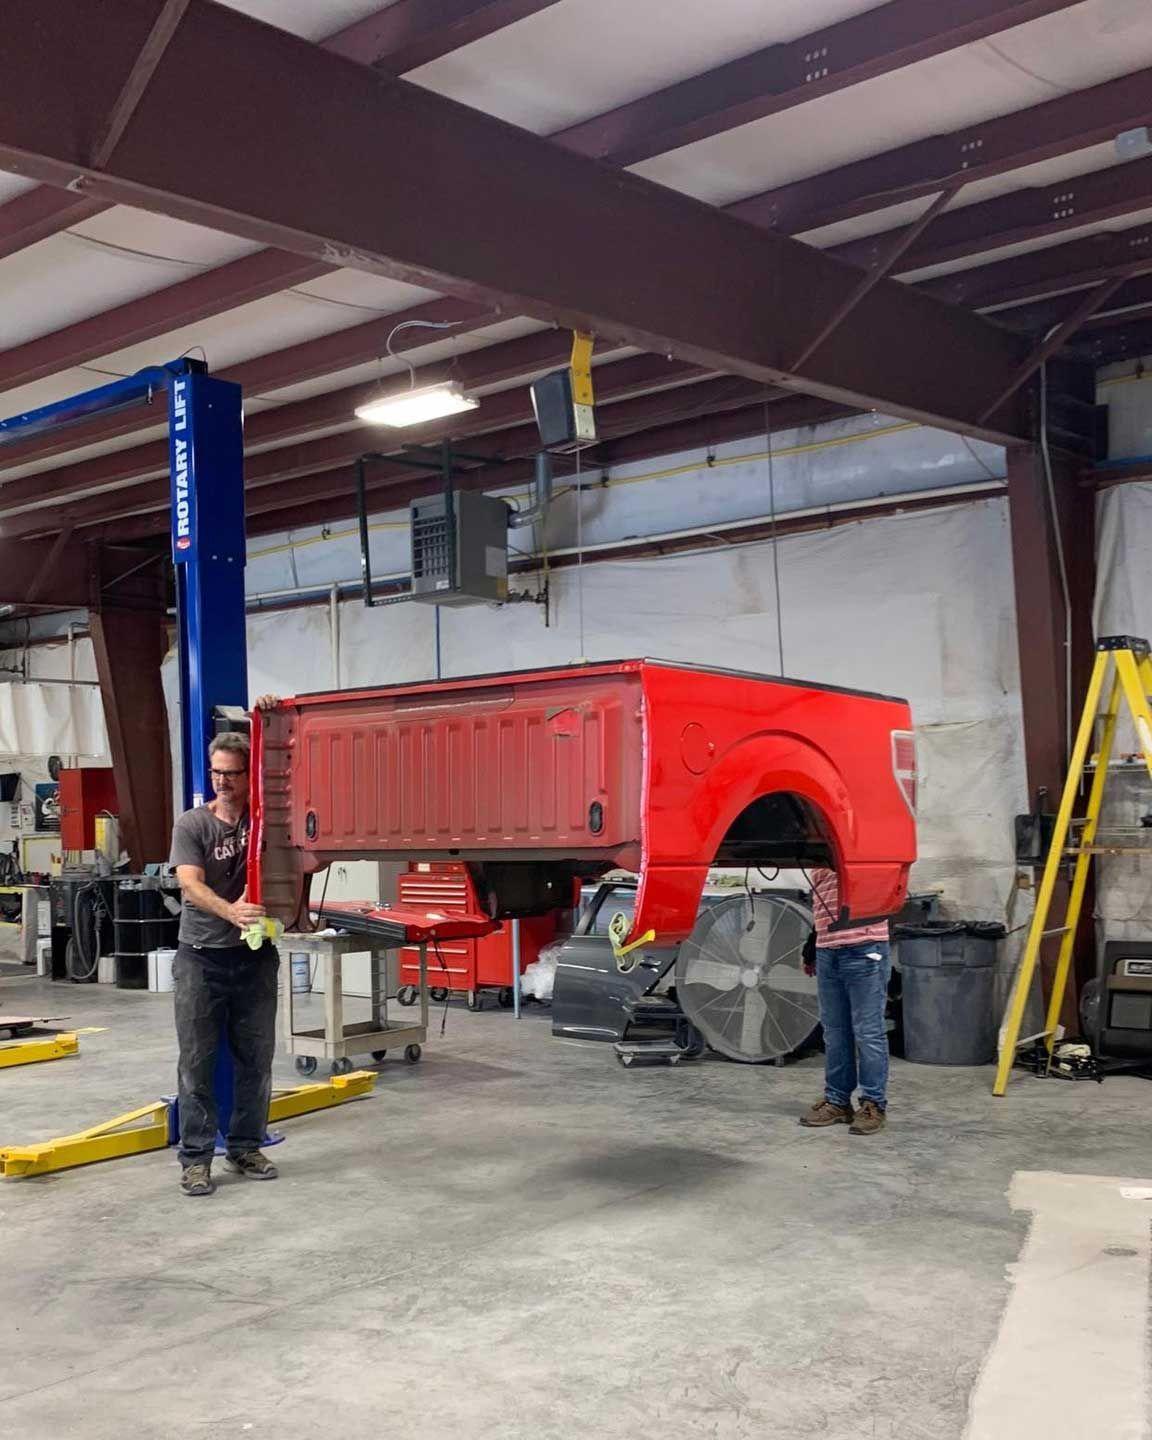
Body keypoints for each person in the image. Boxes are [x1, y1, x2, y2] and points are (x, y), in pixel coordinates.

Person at [170, 704, 279, 1197]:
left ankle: (244, 1146)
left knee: (255, 1059)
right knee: (196, 1061)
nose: (222, 783)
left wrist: (271, 718)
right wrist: (230, 911)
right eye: (216, 773)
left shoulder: (267, 824)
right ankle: (196, 1159)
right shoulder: (193, 825)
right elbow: (189, 884)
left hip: (255, 960)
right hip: (201, 957)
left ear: (249, 776)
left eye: (232, 774)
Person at [799, 866, 892, 1136]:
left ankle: (873, 1104)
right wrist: (812, 945)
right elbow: (825, 900)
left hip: (865, 947)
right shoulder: (819, 852)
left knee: (868, 1032)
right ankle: (838, 1102)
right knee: (835, 1032)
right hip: (828, 949)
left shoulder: (868, 846)